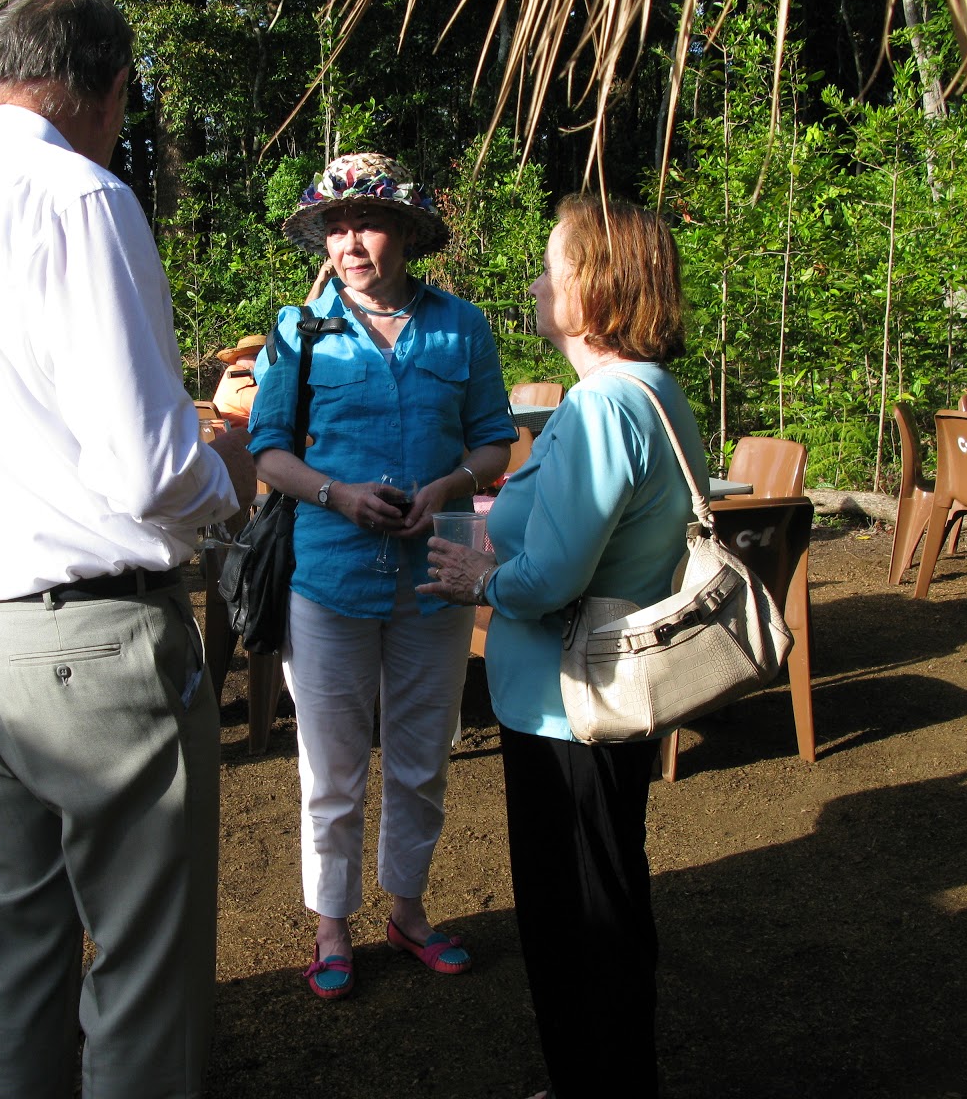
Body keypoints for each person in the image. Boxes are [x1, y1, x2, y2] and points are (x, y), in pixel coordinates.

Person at [0, 0, 253, 1099]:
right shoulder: (81, 195)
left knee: (21, 937)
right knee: (144, 965)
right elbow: (149, 467)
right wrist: (227, 466)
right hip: (96, 643)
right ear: (106, 87)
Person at [421, 196, 706, 1099]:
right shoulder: (648, 392)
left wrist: (483, 581)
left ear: (599, 288)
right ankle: (598, 1077)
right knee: (599, 897)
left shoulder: (603, 406)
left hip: (569, 709)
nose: (538, 284)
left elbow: (552, 576)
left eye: (553, 267)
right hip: (589, 698)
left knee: (578, 912)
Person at [249, 151, 514, 999]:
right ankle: (331, 926)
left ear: (404, 231)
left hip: (435, 578)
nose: (349, 242)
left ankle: (409, 911)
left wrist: (450, 485)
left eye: (365, 222)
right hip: (327, 578)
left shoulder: (461, 326)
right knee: (331, 772)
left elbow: (494, 440)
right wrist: (340, 495)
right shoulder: (298, 328)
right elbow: (267, 452)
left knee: (420, 758)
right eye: (335, 227)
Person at [211, 334, 266, 429]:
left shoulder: (233, 372)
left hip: (232, 435)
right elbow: (268, 403)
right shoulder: (239, 377)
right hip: (236, 437)